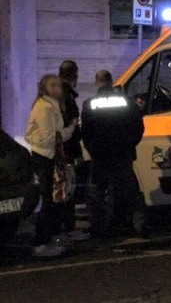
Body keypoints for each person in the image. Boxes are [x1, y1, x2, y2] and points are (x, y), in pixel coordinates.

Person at [82, 70, 146, 237]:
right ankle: (137, 225)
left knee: (96, 192)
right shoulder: (127, 101)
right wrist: (129, 145)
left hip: (100, 155)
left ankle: (99, 228)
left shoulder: (89, 104)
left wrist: (93, 150)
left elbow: (86, 133)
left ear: (97, 83)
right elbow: (138, 127)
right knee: (130, 190)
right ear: (111, 81)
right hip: (122, 154)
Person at [25, 74, 76, 257]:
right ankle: (41, 241)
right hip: (46, 157)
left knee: (54, 198)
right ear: (44, 88)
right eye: (52, 85)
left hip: (49, 155)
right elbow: (50, 138)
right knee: (49, 199)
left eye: (58, 85)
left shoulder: (51, 105)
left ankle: (49, 237)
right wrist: (70, 129)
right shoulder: (45, 107)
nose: (56, 88)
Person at [57, 60, 89, 242]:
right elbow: (70, 124)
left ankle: (67, 228)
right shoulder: (65, 95)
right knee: (68, 190)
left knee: (66, 190)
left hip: (63, 150)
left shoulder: (59, 93)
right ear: (74, 75)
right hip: (66, 151)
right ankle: (67, 229)